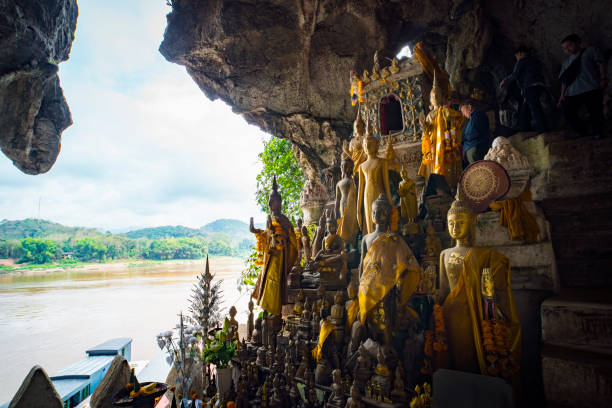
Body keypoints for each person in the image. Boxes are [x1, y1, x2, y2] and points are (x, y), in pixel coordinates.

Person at [558, 34, 608, 138]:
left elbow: (601, 63)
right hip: (572, 92)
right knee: (567, 110)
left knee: (595, 112)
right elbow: (564, 81)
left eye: (570, 45)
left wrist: (603, 78)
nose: (567, 49)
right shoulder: (566, 62)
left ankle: (598, 133)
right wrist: (562, 96)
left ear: (578, 42)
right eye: (565, 48)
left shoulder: (590, 51)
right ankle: (583, 132)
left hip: (591, 88)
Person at [500, 46, 548, 134]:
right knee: (526, 109)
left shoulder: (522, 61)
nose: (517, 59)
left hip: (529, 87)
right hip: (539, 86)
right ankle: (525, 129)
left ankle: (543, 130)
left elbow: (515, 75)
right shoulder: (536, 61)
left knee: (535, 108)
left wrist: (504, 80)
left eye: (516, 57)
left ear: (520, 54)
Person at [460, 99, 490, 165]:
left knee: (478, 172)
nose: (463, 115)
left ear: (470, 107)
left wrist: (462, 138)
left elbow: (471, 133)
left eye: (464, 111)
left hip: (477, 147)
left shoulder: (477, 115)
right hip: (473, 148)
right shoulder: (472, 118)